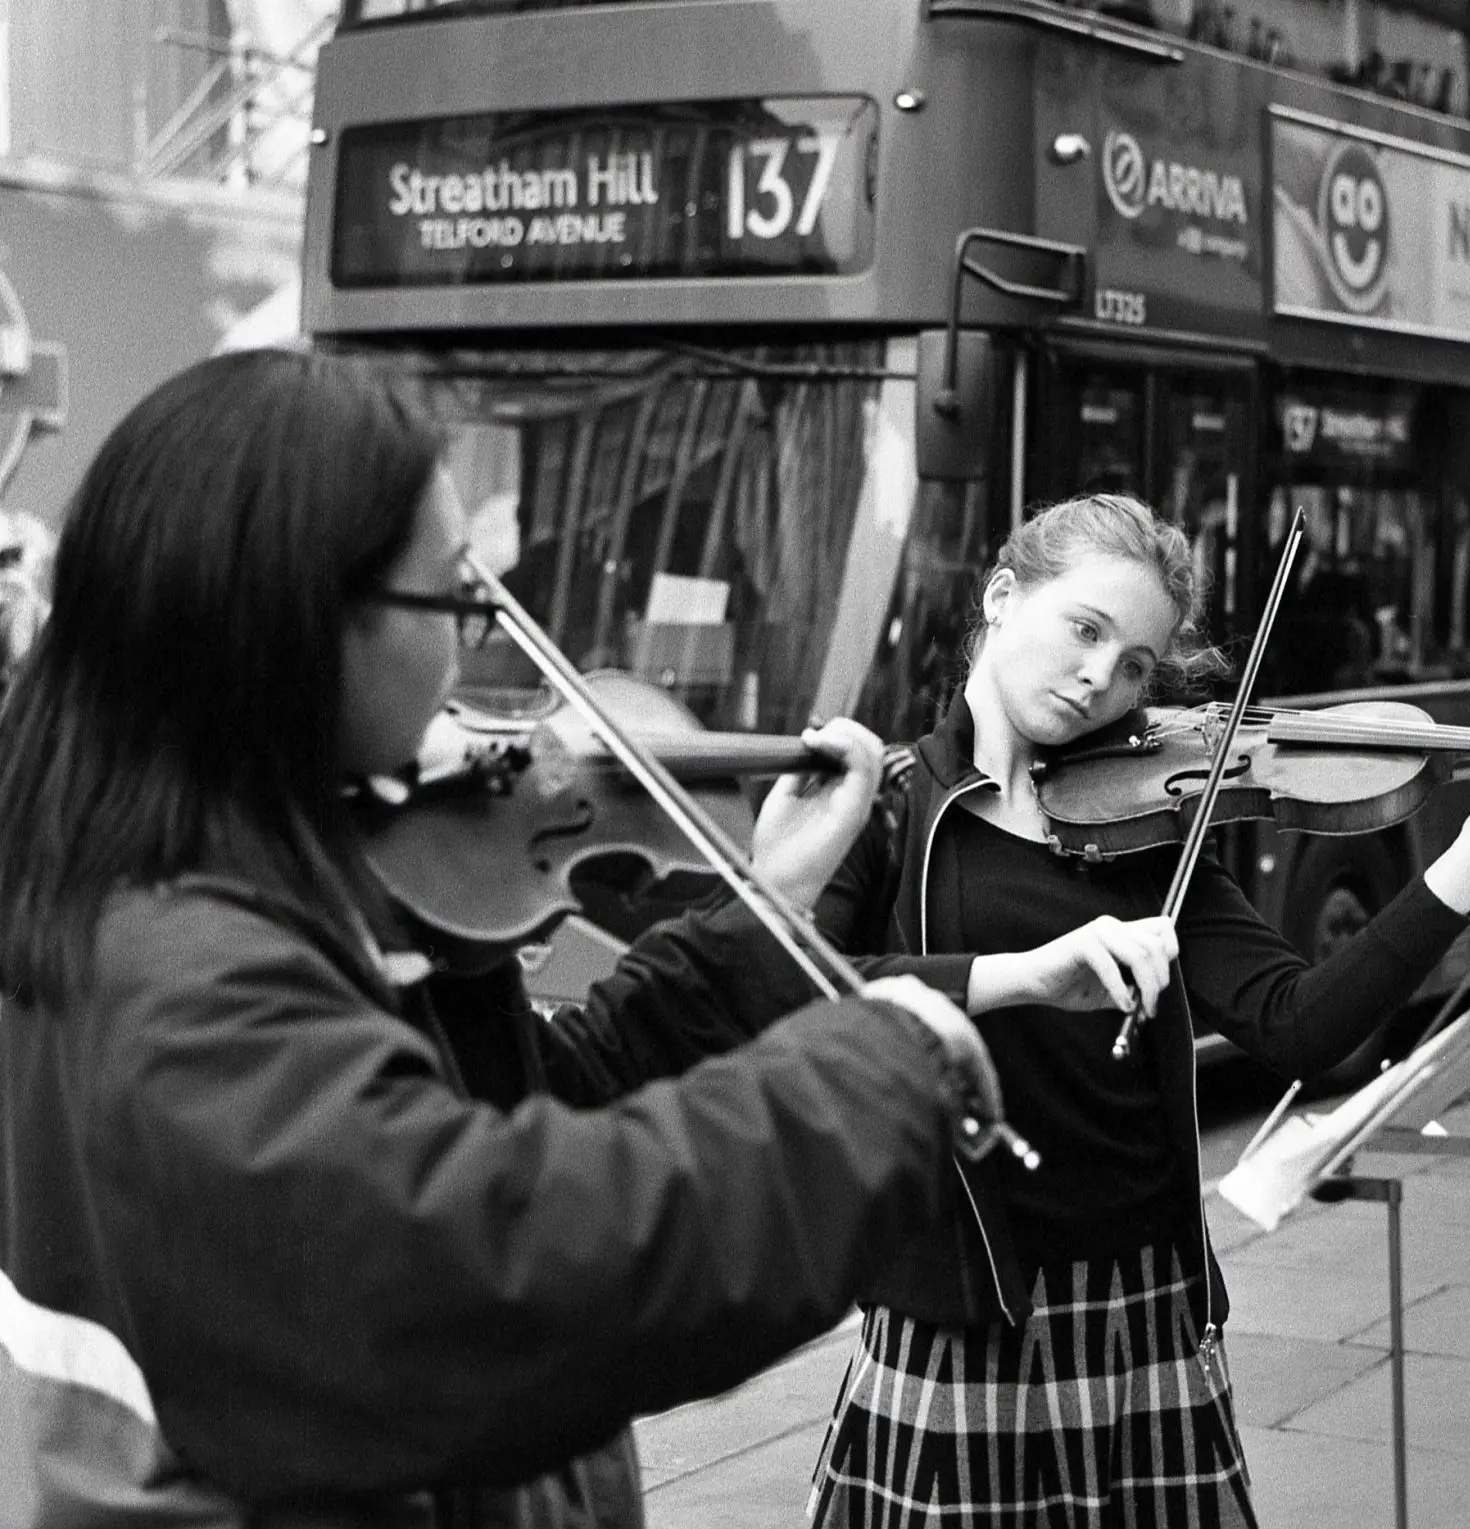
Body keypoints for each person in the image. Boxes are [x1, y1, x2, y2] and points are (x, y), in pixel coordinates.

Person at [0, 348, 1008, 1527]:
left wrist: (760, 908)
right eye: (458, 601)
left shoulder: (180, 867)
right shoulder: (186, 973)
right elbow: (502, 1267)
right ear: (301, 619)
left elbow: (527, 1106)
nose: (475, 660)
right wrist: (876, 1065)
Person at [799, 492, 1470, 1526]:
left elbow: (1296, 1020)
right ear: (1001, 595)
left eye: (1134, 663)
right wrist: (1021, 971)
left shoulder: (1149, 814)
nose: (1100, 678)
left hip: (1141, 1307)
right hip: (961, 1304)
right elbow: (799, 992)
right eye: (1084, 629)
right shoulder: (892, 804)